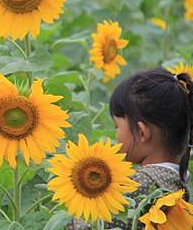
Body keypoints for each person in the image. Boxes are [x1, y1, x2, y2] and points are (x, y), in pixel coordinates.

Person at [71, 67, 192, 229]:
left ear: (141, 133)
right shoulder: (177, 182)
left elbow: (91, 224)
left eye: (117, 127)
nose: (116, 135)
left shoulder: (139, 184)